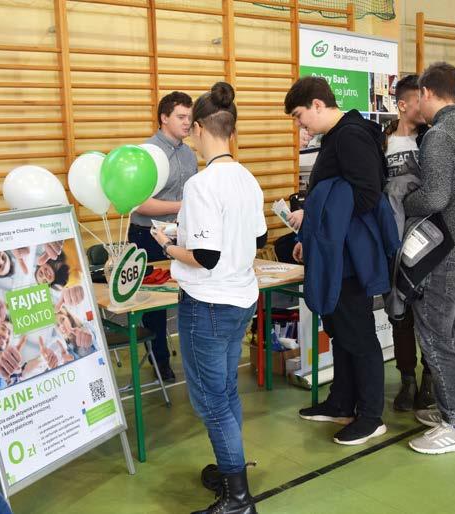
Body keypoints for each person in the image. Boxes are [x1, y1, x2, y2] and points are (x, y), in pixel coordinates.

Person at [151, 82, 265, 514]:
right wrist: (187, 239)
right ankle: (231, 470)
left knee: (211, 399)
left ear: (199, 128)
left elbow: (205, 256)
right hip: (239, 299)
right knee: (225, 391)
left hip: (208, 303)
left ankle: (237, 497)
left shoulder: (201, 184)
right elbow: (254, 235)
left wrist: (167, 246)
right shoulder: (245, 179)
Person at [284, 76, 388, 446]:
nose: (300, 125)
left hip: (347, 256)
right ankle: (342, 401)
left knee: (357, 334)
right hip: (332, 251)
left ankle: (372, 415)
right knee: (341, 332)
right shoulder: (338, 136)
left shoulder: (352, 136)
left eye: (299, 116)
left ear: (316, 104)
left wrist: (324, 231)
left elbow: (366, 196)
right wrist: (310, 236)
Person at [403, 63, 455, 455]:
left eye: (417, 95)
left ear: (426, 93)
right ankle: (452, 409)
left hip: (446, 251)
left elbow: (434, 198)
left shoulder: (439, 135)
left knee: (435, 334)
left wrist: (405, 200)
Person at [130, 91, 197, 383]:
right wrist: (183, 205)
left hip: (179, 234)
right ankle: (159, 361)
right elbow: (139, 203)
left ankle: (188, 354)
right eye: (181, 117)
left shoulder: (189, 153)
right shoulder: (145, 154)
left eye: (190, 117)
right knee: (154, 303)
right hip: (147, 234)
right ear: (164, 118)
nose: (187, 123)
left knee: (189, 292)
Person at [383, 74, 434, 412]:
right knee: (399, 315)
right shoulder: (382, 142)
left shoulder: (430, 140)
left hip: (426, 240)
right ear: (403, 104)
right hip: (393, 242)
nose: (425, 105)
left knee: (428, 313)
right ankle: (406, 381)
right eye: (419, 99)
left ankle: (429, 381)